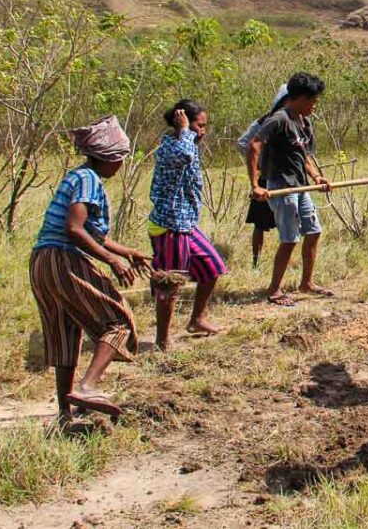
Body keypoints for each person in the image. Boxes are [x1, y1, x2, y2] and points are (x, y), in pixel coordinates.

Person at [30, 115, 151, 420]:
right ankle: (87, 386)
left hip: (42, 261)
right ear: (110, 157)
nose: (121, 165)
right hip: (63, 258)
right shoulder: (88, 180)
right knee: (118, 321)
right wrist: (112, 261)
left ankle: (64, 413)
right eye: (121, 158)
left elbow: (94, 233)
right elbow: (74, 228)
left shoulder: (78, 176)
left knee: (64, 333)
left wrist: (127, 252)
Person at [248, 72, 333, 307]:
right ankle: (274, 290)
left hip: (300, 185)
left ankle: (306, 283)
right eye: (312, 101)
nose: (315, 106)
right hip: (282, 187)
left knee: (314, 231)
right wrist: (255, 184)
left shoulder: (304, 123)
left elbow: (302, 155)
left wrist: (316, 176)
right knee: (289, 239)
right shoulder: (279, 119)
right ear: (298, 98)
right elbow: (254, 146)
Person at [148, 99, 226, 351]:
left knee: (213, 267)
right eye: (198, 126)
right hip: (170, 225)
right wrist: (184, 131)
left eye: (204, 126)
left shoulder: (187, 143)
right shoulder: (171, 145)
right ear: (183, 122)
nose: (202, 131)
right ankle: (162, 339)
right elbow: (181, 156)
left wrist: (188, 133)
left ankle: (197, 319)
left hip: (186, 224)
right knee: (170, 283)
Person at [238, 84, 290, 269]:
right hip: (266, 179)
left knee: (291, 225)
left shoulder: (297, 121)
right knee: (260, 224)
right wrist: (259, 162)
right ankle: (256, 262)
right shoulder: (265, 121)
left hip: (289, 180)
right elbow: (245, 143)